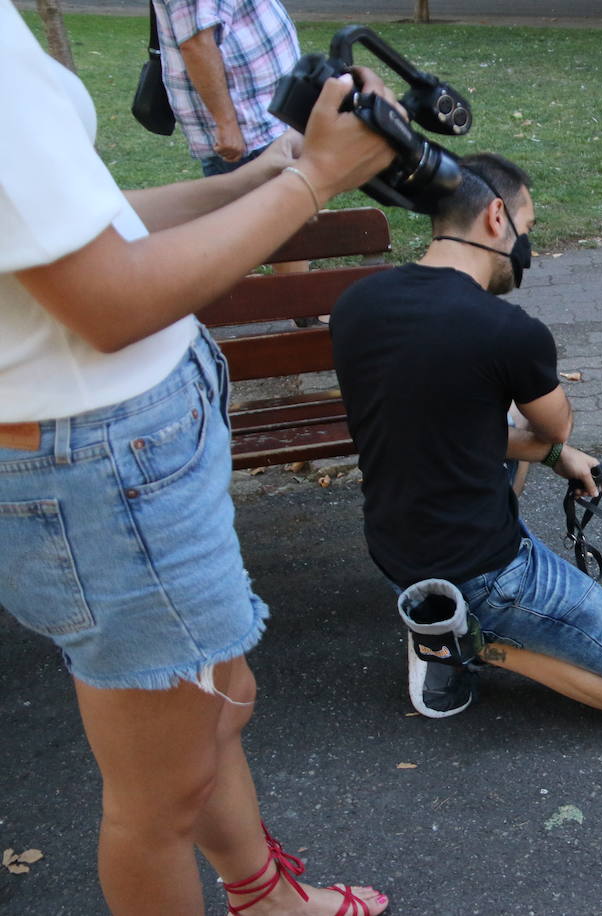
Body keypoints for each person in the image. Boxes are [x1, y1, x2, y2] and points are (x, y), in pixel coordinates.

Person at [1, 4, 397, 912]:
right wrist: (316, 181)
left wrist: (267, 173)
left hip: (98, 456)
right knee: (158, 801)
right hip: (103, 468)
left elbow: (81, 230)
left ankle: (266, 899)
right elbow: (110, 302)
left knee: (221, 701)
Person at [329, 153, 602, 723]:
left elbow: (450, 430)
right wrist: (558, 439)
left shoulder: (357, 304)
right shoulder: (508, 332)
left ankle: (439, 611)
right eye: (527, 231)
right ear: (496, 218)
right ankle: (460, 638)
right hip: (484, 572)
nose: (527, 251)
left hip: (396, 545)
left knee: (482, 398)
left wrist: (557, 458)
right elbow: (554, 424)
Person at [151, 0, 299, 177]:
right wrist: (226, 124)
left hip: (265, 114)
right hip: (248, 128)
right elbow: (197, 45)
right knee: (261, 202)